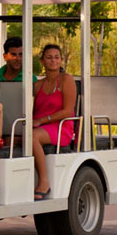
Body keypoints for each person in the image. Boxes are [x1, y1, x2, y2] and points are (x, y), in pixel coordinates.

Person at [31, 44, 79, 201]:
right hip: (40, 126)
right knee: (11, 139)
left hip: (60, 126)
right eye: (49, 57)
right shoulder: (38, 85)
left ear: (61, 60)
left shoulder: (67, 80)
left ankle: (44, 182)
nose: (53, 60)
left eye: (56, 57)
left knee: (31, 137)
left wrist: (41, 121)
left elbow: (67, 110)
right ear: (42, 61)